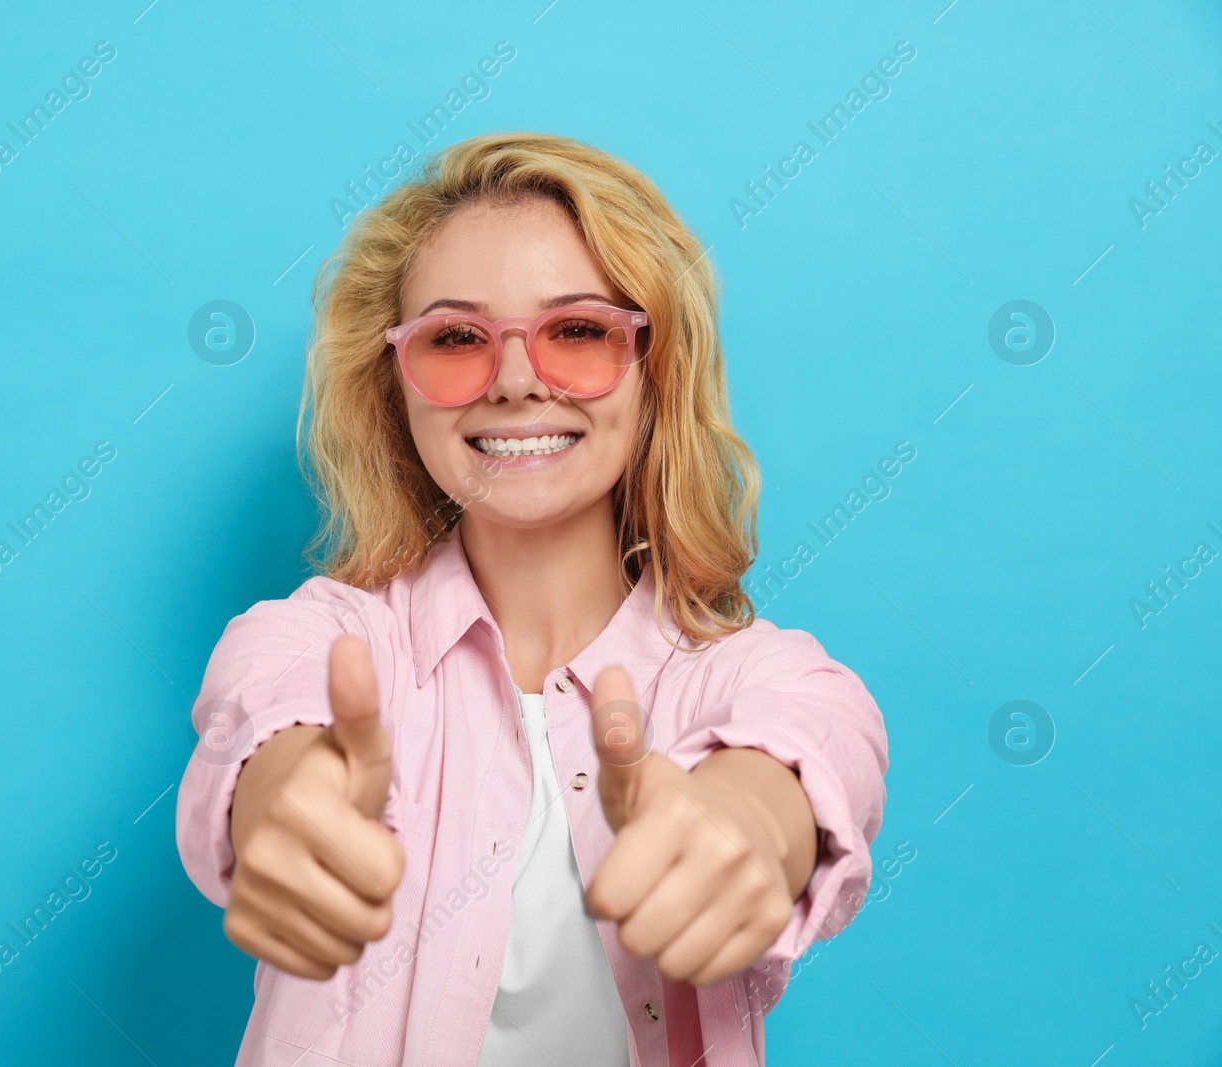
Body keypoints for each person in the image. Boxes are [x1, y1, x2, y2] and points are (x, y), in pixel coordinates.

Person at [175, 131, 888, 1066]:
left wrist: (746, 826)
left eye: (579, 331)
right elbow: (269, 724)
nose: (515, 380)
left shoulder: (766, 678)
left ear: (652, 369)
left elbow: (810, 751)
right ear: (395, 386)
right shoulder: (315, 639)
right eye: (457, 338)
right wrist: (288, 805)